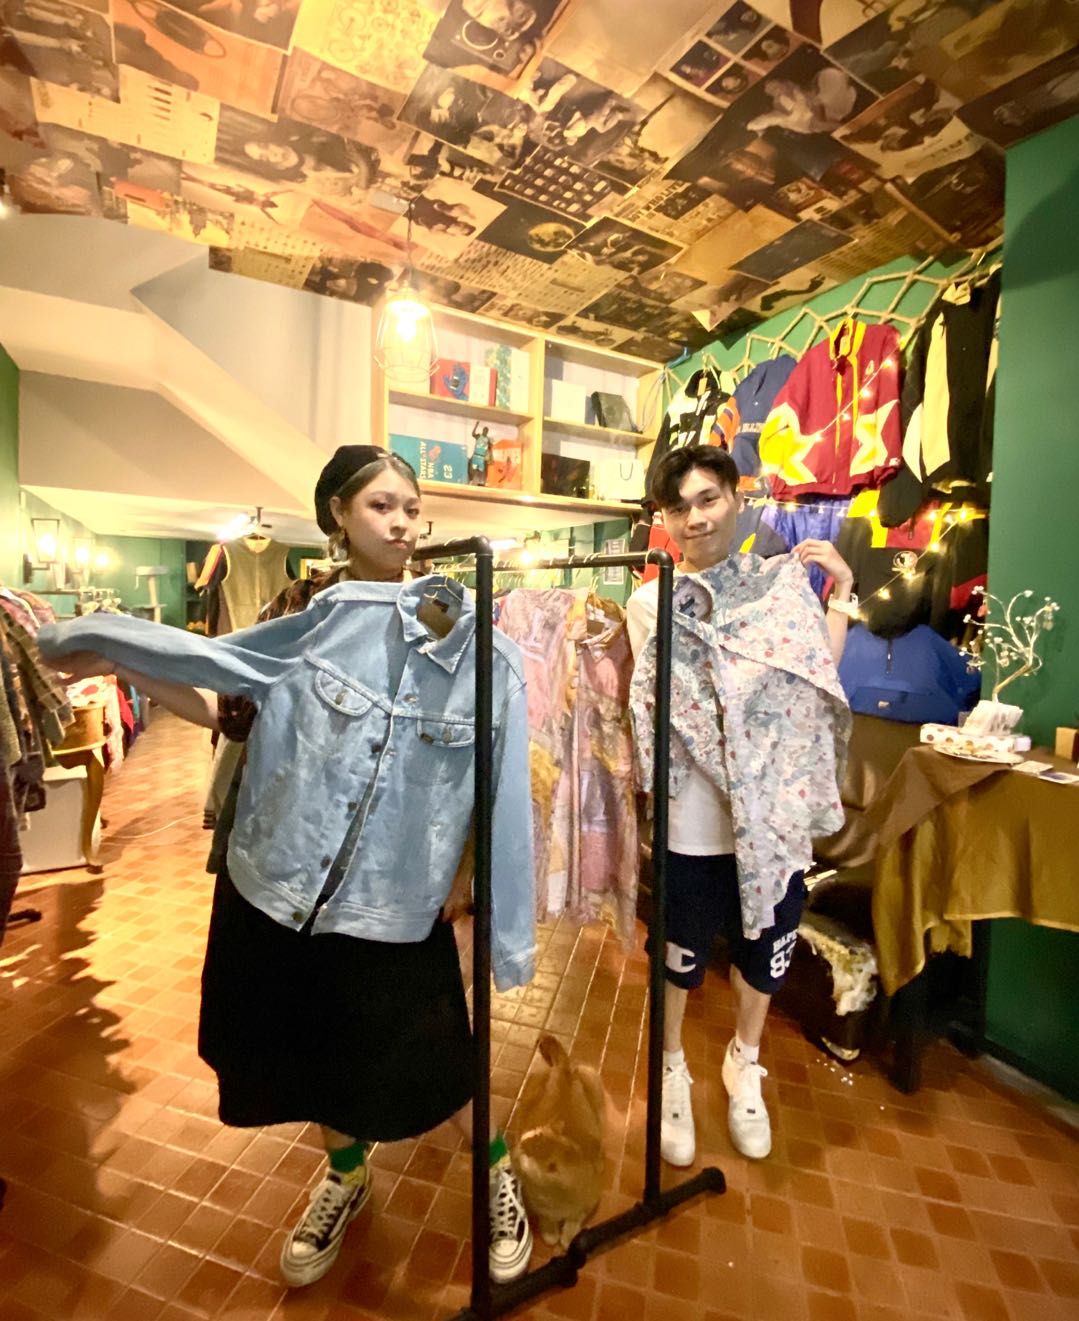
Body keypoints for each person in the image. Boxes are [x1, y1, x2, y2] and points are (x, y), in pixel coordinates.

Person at [48, 446, 534, 1288]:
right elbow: (221, 702)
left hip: (392, 893)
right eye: (381, 505)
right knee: (311, 1048)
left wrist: (480, 892)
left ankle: (497, 1173)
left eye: (411, 507)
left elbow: (497, 788)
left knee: (432, 1056)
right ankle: (345, 1175)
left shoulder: (468, 638)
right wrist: (127, 658)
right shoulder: (300, 615)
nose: (402, 524)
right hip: (284, 877)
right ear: (337, 513)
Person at [625, 446, 853, 1164]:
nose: (694, 518)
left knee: (765, 953)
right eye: (677, 507)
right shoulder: (650, 604)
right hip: (695, 818)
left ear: (736, 499)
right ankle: (671, 1066)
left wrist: (840, 593)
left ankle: (742, 1061)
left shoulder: (777, 591)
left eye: (707, 499)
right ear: (662, 520)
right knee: (678, 955)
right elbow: (670, 713)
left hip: (774, 819)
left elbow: (811, 678)